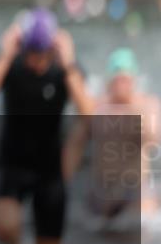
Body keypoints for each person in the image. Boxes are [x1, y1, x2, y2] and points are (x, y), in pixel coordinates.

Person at [0, 9, 95, 244]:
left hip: (50, 171)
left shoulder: (65, 67)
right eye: (31, 54)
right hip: (12, 164)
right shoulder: (10, 61)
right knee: (4, 225)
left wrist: (69, 63)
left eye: (43, 55)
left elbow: (89, 115)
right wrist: (4, 55)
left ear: (53, 48)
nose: (37, 61)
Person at [63, 48, 160, 223]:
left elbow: (154, 138)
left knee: (145, 216)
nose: (121, 85)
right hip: (103, 190)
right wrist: (64, 180)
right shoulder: (98, 107)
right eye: (117, 79)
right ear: (109, 82)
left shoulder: (148, 105)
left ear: (134, 81)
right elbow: (75, 144)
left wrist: (132, 112)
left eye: (126, 79)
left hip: (135, 189)